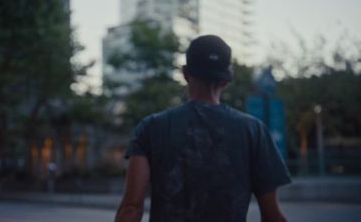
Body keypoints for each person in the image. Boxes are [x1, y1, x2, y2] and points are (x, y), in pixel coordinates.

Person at [115, 35, 291, 222]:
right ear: (226, 80)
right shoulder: (253, 130)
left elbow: (131, 208)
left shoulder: (150, 127)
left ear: (185, 73)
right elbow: (272, 214)